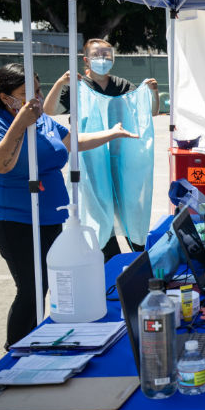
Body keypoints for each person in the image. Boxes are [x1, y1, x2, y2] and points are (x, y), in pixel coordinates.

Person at [0, 63, 138, 349]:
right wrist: (20, 125)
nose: (35, 98)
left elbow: (72, 142)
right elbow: (0, 163)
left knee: (52, 283)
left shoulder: (43, 120)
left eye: (37, 90)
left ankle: (40, 341)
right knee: (31, 289)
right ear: (4, 96)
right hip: (14, 221)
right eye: (26, 93)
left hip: (51, 218)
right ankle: (15, 348)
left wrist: (111, 133)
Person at [43, 37, 159, 261]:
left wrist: (151, 93)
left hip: (122, 158)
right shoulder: (78, 87)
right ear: (86, 60)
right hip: (92, 159)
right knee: (100, 209)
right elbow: (49, 110)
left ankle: (139, 252)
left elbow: (149, 112)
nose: (103, 59)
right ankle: (108, 258)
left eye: (107, 54)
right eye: (97, 55)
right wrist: (60, 84)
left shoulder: (123, 85)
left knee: (130, 206)